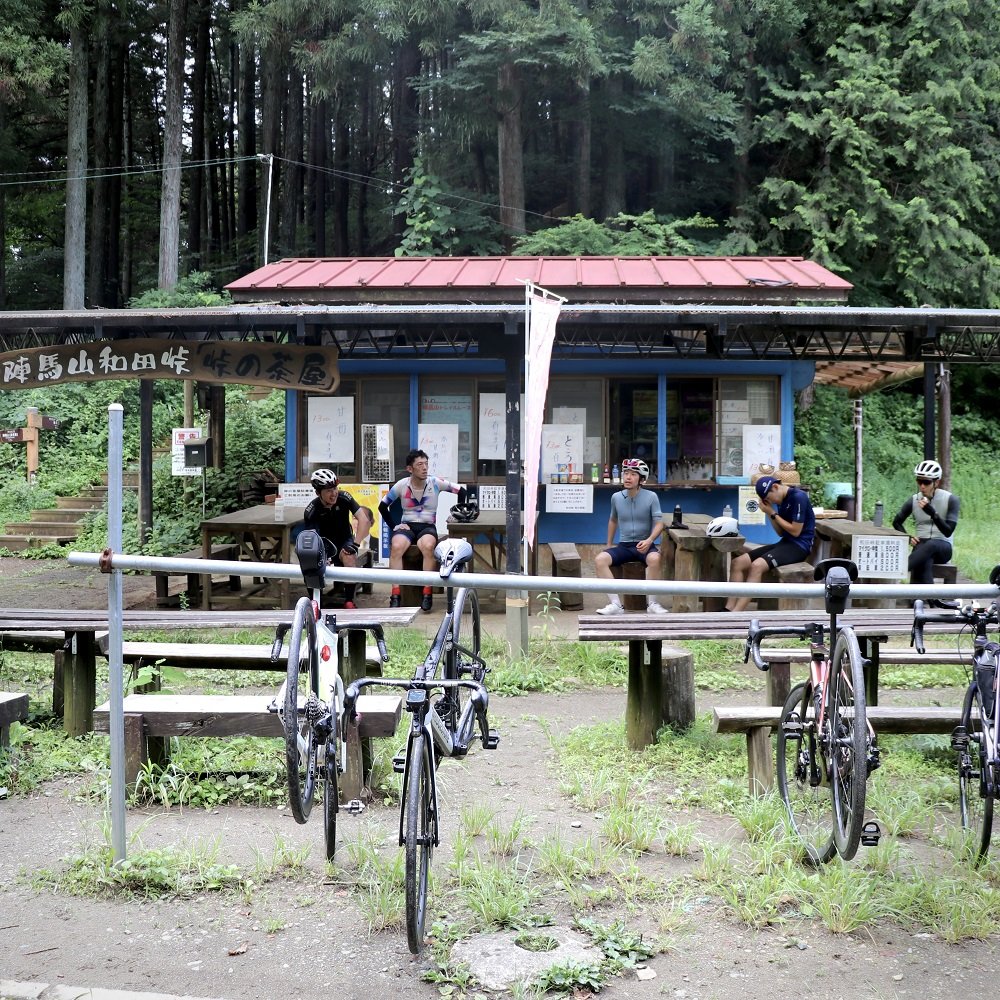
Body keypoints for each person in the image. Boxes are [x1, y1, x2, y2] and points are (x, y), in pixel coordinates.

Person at [378, 449, 467, 612]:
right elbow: (382, 506)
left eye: (426, 464)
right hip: (407, 526)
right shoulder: (402, 485)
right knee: (396, 547)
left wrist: (458, 513)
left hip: (427, 526)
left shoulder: (435, 482)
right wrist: (394, 526)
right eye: (420, 464)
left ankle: (427, 592)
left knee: (427, 546)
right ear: (410, 469)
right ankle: (395, 594)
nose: (424, 468)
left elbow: (461, 491)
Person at [725, 475, 815, 613]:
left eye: (768, 498)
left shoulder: (798, 497)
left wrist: (772, 512)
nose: (770, 501)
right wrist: (768, 513)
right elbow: (780, 532)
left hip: (799, 547)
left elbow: (796, 531)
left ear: (775, 487)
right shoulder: (781, 501)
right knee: (738, 562)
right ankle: (728, 608)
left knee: (757, 566)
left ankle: (736, 614)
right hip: (785, 543)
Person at [595, 458, 667, 615]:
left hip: (645, 545)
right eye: (626, 473)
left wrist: (649, 540)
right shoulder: (616, 497)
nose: (628, 477)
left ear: (641, 479)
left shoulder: (651, 497)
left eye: (633, 474)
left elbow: (659, 523)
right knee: (600, 560)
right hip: (625, 546)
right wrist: (608, 543)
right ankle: (615, 604)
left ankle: (652, 603)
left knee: (655, 559)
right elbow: (613, 520)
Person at [891, 459, 960, 608]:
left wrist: (933, 513)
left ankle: (898, 570)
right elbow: (896, 522)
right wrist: (908, 537)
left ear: (937, 482)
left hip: (942, 546)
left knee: (931, 545)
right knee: (924, 555)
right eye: (919, 481)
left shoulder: (951, 500)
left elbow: (948, 531)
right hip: (922, 547)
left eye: (926, 482)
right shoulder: (914, 500)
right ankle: (932, 599)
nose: (922, 486)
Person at [302, 469, 374, 609]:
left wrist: (355, 544)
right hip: (323, 545)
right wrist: (321, 555)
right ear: (318, 493)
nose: (334, 493)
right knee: (310, 560)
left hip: (344, 541)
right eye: (328, 490)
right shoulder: (312, 510)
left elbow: (364, 520)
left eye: (335, 488)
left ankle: (349, 601)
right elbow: (311, 540)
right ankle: (315, 602)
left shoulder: (345, 497)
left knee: (349, 557)